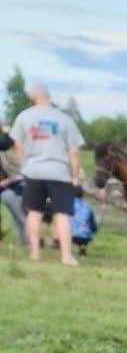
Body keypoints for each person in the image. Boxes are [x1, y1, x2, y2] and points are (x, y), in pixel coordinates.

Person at [11, 83, 83, 266]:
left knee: (34, 212)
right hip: (59, 173)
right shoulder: (65, 119)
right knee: (62, 214)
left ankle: (35, 253)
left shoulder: (24, 117)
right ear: (49, 97)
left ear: (33, 97)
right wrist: (74, 176)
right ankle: (66, 256)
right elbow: (73, 152)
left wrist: (24, 165)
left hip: (33, 171)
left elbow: (18, 146)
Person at [69, 188, 99, 256]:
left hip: (72, 235)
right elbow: (92, 224)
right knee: (85, 231)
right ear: (83, 195)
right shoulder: (87, 207)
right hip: (85, 237)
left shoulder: (69, 205)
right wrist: (94, 231)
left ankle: (66, 248)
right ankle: (82, 247)